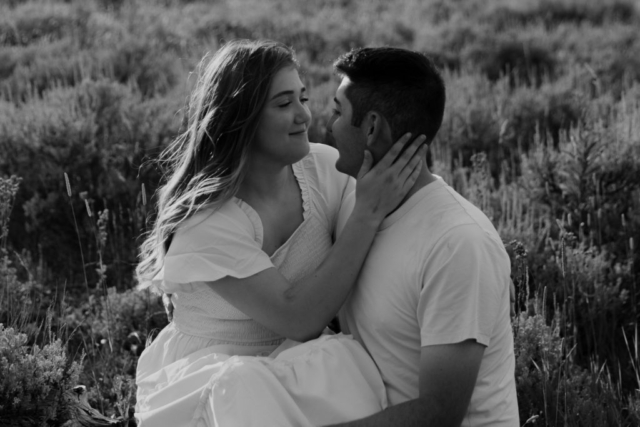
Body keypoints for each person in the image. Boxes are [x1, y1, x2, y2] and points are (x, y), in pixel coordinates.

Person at [134, 39, 426, 427]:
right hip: (216, 379)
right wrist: (367, 213)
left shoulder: (323, 169)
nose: (304, 115)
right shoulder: (206, 221)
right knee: (246, 387)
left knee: (338, 365)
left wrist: (459, 247)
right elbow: (298, 318)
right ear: (242, 119)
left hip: (298, 369)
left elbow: (394, 209)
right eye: (284, 104)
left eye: (302, 98)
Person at [325, 47, 519, 426]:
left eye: (337, 111)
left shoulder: (458, 243)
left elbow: (438, 413)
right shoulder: (356, 208)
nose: (329, 125)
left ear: (372, 127)